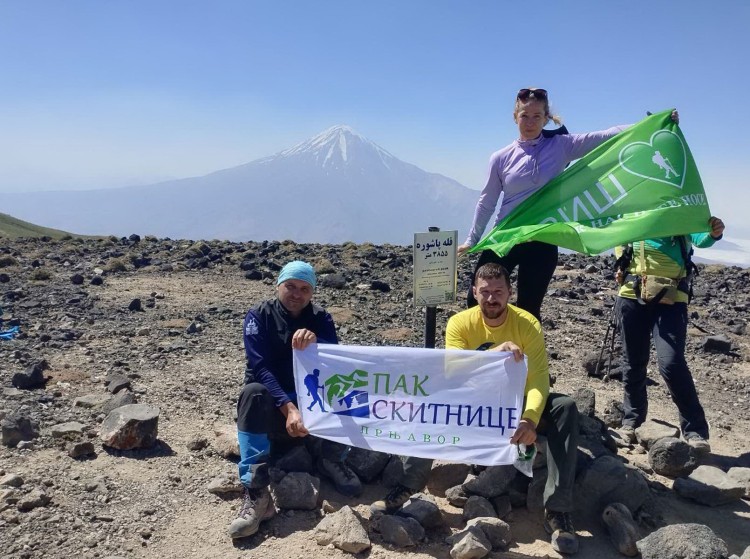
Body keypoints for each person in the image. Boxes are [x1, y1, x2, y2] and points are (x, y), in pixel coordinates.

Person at [370, 263, 580, 555]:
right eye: (485, 292)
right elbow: (454, 370)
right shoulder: (459, 322)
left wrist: (530, 419)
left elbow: (539, 378)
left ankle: (557, 511)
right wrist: (495, 355)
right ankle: (407, 486)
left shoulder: (527, 323)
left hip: (514, 404)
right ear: (474, 292)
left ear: (510, 292)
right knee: (431, 403)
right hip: (475, 402)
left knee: (565, 407)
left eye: (498, 292)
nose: (492, 299)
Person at [459, 88, 673, 320]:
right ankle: (485, 342)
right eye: (524, 116)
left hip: (543, 238)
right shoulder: (500, 158)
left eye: (536, 116)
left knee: (529, 310)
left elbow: (606, 136)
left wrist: (653, 124)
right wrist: (473, 239)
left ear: (546, 118)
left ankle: (520, 344)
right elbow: (487, 201)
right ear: (515, 117)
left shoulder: (561, 146)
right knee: (475, 299)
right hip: (506, 235)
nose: (530, 122)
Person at [229, 261, 362, 539]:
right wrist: (288, 408)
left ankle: (332, 458)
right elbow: (260, 367)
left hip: (308, 396)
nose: (296, 294)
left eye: (304, 289)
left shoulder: (321, 317)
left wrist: (317, 344)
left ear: (312, 292)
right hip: (274, 400)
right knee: (252, 393)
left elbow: (335, 361)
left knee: (348, 389)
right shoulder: (259, 316)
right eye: (290, 286)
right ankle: (257, 492)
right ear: (278, 285)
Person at [615, 216, 725, 454]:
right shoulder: (634, 210)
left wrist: (714, 233)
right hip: (632, 294)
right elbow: (615, 234)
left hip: (673, 298)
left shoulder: (682, 210)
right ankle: (632, 423)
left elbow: (701, 237)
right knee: (633, 361)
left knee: (672, 363)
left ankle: (695, 430)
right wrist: (620, 263)